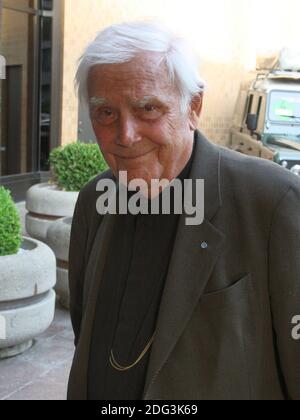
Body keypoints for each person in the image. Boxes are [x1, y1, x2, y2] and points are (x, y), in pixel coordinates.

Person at [67, 21, 300, 400]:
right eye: (105, 113)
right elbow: (84, 330)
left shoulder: (274, 203)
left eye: (148, 108)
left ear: (193, 107)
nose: (125, 135)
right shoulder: (95, 199)